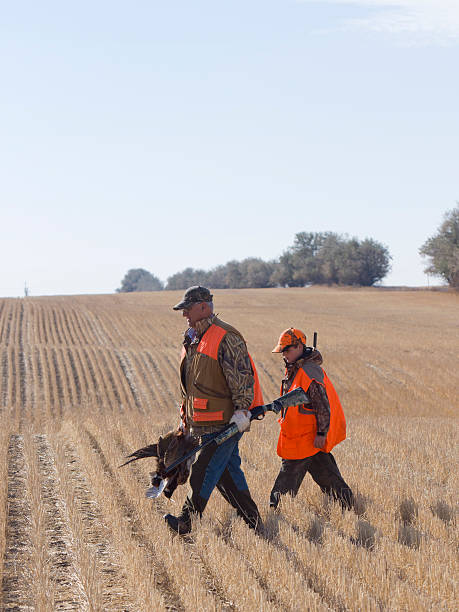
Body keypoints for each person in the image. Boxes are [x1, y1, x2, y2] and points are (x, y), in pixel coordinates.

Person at [164, 286, 264, 535]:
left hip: (225, 421)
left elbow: (242, 377)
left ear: (204, 306)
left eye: (187, 309)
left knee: (204, 470)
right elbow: (190, 386)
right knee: (226, 474)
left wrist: (242, 411)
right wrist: (185, 419)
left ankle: (187, 521)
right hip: (202, 422)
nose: (184, 314)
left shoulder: (226, 336)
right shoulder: (193, 339)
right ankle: (254, 522)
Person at [269, 328, 354, 511]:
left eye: (287, 349)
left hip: (306, 436)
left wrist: (322, 433)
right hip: (303, 436)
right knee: (327, 475)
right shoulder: (296, 368)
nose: (284, 354)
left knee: (287, 480)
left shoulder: (309, 372)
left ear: (299, 346)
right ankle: (347, 504)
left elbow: (322, 405)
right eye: (282, 351)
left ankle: (276, 511)